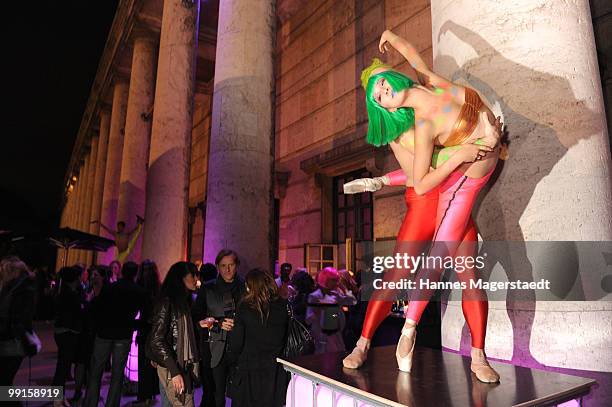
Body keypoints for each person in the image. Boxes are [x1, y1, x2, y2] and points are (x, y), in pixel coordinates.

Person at [342, 29, 502, 382]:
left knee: (469, 274)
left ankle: (478, 355)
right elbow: (417, 177)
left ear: (391, 76)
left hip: (453, 195)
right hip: (424, 203)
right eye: (377, 96)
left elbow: (416, 59)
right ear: (381, 108)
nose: (383, 91)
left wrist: (392, 37)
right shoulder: (400, 132)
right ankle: (363, 343)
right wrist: (383, 180)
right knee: (396, 275)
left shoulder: (430, 91)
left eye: (382, 82)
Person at [84, 261, 146, 407]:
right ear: (135, 274)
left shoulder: (110, 288)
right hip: (123, 335)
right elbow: (145, 314)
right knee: (117, 375)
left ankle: (90, 403)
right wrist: (133, 325)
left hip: (104, 333)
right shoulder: (138, 291)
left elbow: (96, 307)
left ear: (122, 271)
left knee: (95, 372)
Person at [226, 268, 289, 407]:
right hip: (274, 371)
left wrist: (230, 360)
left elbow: (236, 344)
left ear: (251, 286)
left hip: (249, 371)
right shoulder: (283, 306)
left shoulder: (245, 307)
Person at [192, 249, 246, 407]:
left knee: (240, 395)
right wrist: (217, 323)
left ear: (237, 266)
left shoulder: (245, 287)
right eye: (223, 265)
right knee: (215, 395)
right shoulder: (208, 288)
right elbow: (196, 317)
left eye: (231, 265)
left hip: (240, 348)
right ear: (218, 266)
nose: (227, 269)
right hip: (214, 348)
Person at [147, 262, 200, 407]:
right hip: (172, 366)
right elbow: (156, 339)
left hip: (180, 365)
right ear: (180, 278)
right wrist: (175, 371)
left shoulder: (184, 301)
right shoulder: (167, 301)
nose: (196, 279)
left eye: (197, 274)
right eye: (192, 275)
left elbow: (181, 331)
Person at [0, 256, 38, 395]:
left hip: (14, 342)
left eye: (4, 270)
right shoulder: (13, 286)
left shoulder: (22, 289)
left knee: (4, 383)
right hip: (10, 339)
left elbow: (20, 318)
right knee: (5, 383)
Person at [52, 266, 85, 407]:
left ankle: (57, 397)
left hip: (61, 331)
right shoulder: (70, 294)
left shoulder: (63, 291)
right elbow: (79, 311)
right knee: (63, 367)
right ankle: (57, 399)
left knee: (62, 365)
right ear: (75, 279)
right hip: (68, 332)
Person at [306, 267, 357, 354]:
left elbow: (353, 301)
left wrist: (344, 288)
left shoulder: (335, 295)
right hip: (321, 337)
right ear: (325, 280)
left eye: (337, 280)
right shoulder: (315, 296)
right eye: (333, 280)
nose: (336, 283)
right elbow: (308, 319)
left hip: (336, 335)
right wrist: (319, 309)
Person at [135, 260, 162, 405]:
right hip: (154, 330)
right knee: (151, 364)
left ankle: (144, 395)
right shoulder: (159, 288)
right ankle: (150, 394)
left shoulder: (140, 289)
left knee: (145, 364)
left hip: (145, 329)